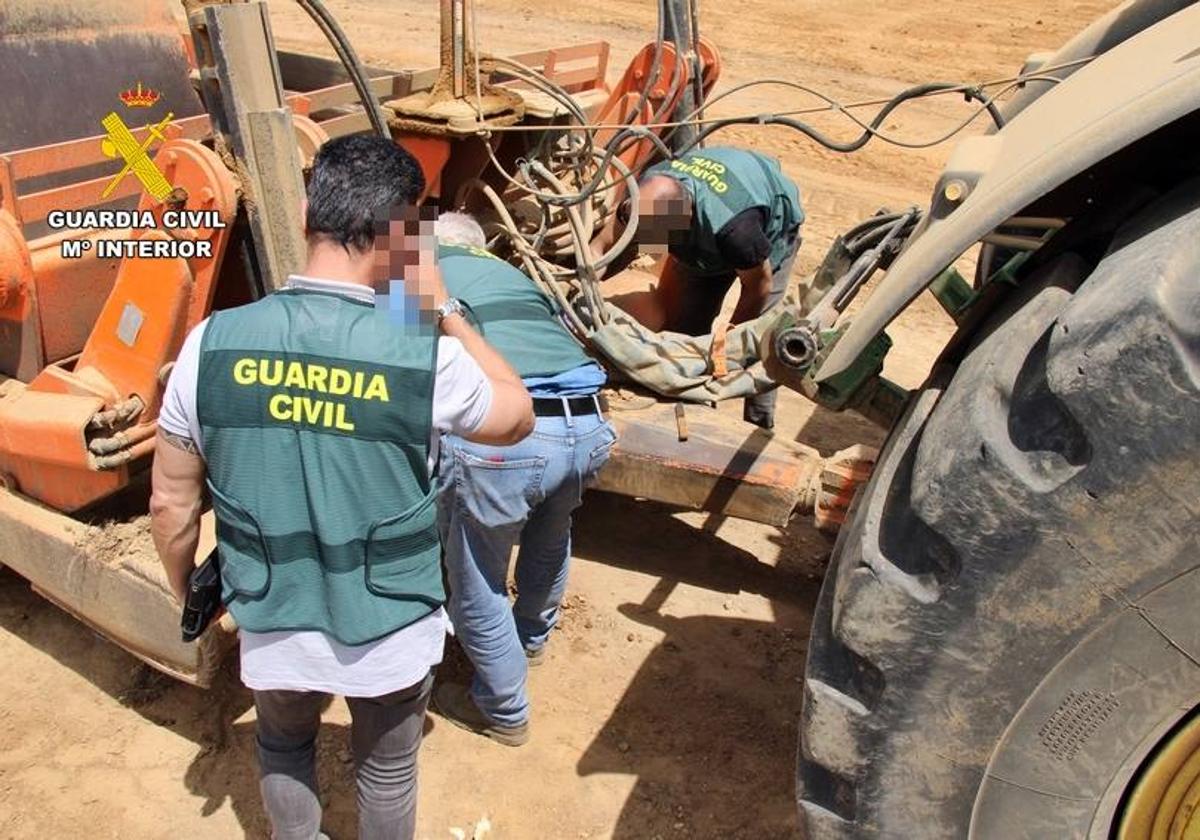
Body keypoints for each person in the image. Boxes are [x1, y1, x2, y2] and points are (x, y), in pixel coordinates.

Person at [149, 136, 533, 840]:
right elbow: (516, 415)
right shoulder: (427, 357)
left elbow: (170, 504)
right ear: (403, 239)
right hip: (388, 619)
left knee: (284, 743)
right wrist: (444, 308)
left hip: (271, 606)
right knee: (387, 771)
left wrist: (190, 595)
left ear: (302, 214)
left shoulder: (211, 342)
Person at [429, 212, 616, 746]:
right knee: (550, 535)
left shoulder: (416, 266)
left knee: (474, 580)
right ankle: (530, 640)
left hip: (512, 436)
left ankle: (503, 709)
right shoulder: (518, 276)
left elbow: (392, 353)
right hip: (587, 425)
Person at [592, 145, 804, 429]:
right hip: (704, 232)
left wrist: (729, 345)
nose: (646, 245)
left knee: (762, 345)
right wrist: (579, 285)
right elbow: (605, 247)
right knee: (685, 335)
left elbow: (758, 288)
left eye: (653, 237)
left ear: (682, 223)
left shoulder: (737, 232)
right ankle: (688, 412)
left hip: (766, 230)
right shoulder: (645, 195)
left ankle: (759, 424)